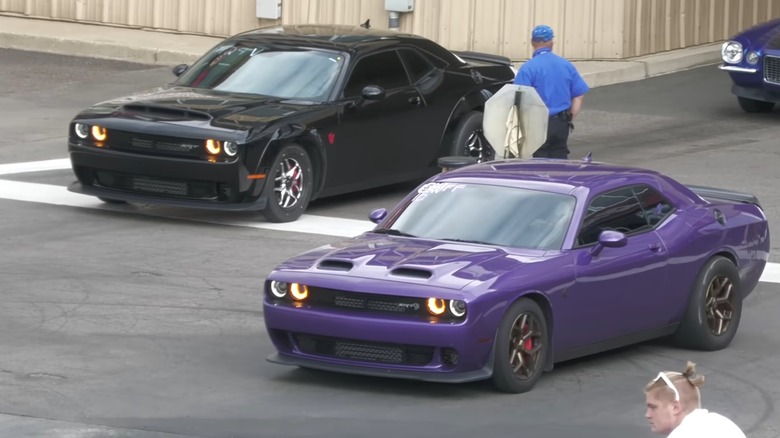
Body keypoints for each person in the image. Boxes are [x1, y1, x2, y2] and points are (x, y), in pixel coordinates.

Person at [513, 25, 589, 159]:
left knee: (540, 162)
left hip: (537, 123)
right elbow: (578, 95)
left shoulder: (528, 68)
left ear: (532, 42)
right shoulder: (565, 65)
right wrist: (569, 117)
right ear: (551, 43)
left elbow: (518, 98)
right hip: (561, 123)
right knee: (560, 161)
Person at [644, 361, 747, 438]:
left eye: (653, 407)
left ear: (675, 407)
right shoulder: (722, 422)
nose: (647, 415)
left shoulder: (683, 434)